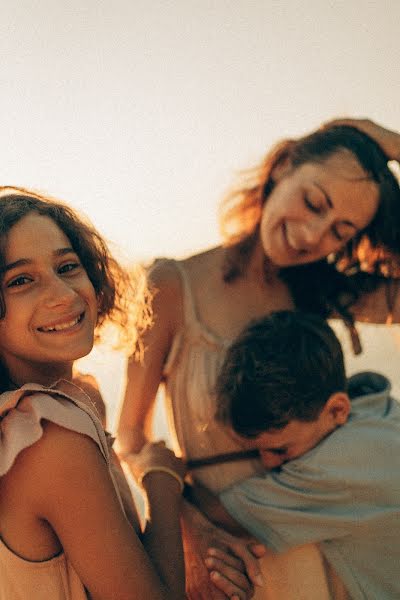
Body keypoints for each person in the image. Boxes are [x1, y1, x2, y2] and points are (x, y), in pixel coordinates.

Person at [116, 118, 400, 598]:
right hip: (226, 561)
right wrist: (192, 533)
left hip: (321, 558)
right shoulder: (171, 285)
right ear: (284, 166)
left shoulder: (320, 294)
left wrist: (393, 146)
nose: (312, 235)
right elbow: (129, 437)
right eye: (313, 203)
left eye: (340, 232)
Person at [0, 187, 189, 600]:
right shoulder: (45, 435)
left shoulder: (71, 400)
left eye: (67, 266)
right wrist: (161, 480)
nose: (64, 295)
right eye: (21, 280)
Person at [206, 310, 399, 600]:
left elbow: (216, 515)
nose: (268, 463)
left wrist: (160, 473)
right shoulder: (378, 410)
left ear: (338, 409)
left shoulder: (331, 469)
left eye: (280, 449)